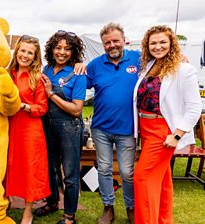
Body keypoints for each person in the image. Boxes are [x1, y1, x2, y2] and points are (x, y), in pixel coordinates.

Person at [133, 25, 201, 224]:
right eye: (153, 43)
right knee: (162, 181)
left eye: (163, 42)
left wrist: (177, 135)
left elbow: (194, 107)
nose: (158, 46)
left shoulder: (184, 69)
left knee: (142, 179)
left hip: (163, 131)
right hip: (145, 130)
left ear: (172, 43)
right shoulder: (148, 66)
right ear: (147, 45)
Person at [86, 23, 140, 224]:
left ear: (124, 40)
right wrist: (77, 66)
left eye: (115, 40)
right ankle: (108, 208)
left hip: (127, 129)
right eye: (107, 42)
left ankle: (131, 207)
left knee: (127, 172)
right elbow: (81, 83)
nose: (112, 45)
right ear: (103, 44)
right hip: (101, 129)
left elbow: (162, 62)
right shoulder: (95, 65)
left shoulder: (137, 59)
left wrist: (181, 59)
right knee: (105, 169)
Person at [36, 30, 86, 224]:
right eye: (58, 47)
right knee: (50, 168)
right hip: (47, 125)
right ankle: (52, 202)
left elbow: (76, 109)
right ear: (52, 49)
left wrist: (51, 94)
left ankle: (69, 216)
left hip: (69, 127)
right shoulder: (47, 69)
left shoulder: (78, 73)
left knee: (70, 173)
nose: (62, 52)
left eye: (67, 48)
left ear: (74, 52)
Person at [5, 35, 50, 224]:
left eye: (29, 52)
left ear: (35, 56)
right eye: (22, 50)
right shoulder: (5, 74)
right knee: (6, 166)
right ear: (16, 52)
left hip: (30, 130)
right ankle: (3, 203)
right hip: (6, 127)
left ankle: (28, 212)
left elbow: (42, 108)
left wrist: (23, 106)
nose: (25, 55)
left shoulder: (37, 78)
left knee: (30, 171)